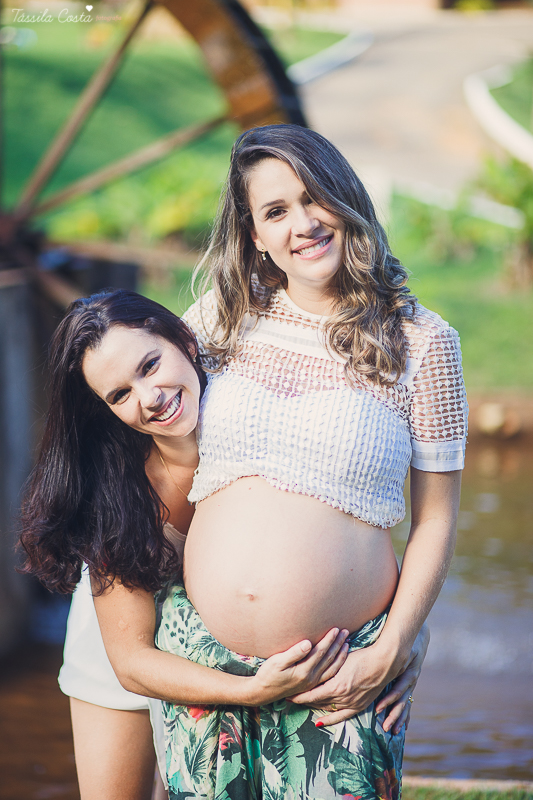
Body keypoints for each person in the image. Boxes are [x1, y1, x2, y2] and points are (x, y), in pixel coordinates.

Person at [150, 123, 467, 799]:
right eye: (275, 211)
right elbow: (149, 441)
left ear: (345, 197)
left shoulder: (424, 342)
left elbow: (435, 521)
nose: (302, 223)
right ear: (255, 235)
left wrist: (392, 647)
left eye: (312, 196)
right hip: (207, 666)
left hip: (342, 674)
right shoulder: (217, 320)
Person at [19, 290, 354, 800]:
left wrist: (403, 641)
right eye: (120, 395)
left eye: (150, 365)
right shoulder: (118, 492)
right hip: (122, 647)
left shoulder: (261, 418)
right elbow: (130, 661)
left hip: (217, 649)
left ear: (183, 340)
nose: (150, 396)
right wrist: (250, 691)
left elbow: (350, 528)